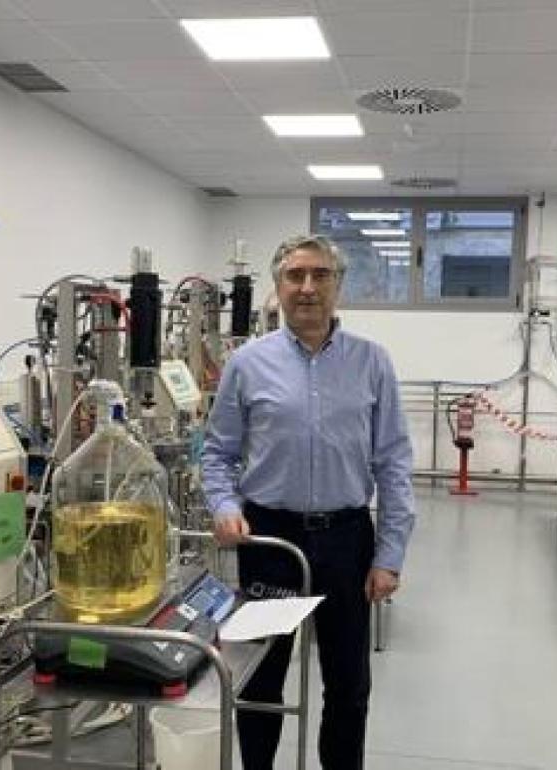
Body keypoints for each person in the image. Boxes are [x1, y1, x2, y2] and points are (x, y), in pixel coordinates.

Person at [202, 234, 416, 770]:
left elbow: (393, 461)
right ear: (278, 287)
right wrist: (225, 506)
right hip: (270, 539)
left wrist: (389, 554)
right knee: (260, 677)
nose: (307, 287)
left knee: (348, 684)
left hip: (347, 539)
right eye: (295, 276)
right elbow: (218, 452)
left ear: (338, 286)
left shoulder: (372, 363)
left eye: (320, 275)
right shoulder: (247, 364)